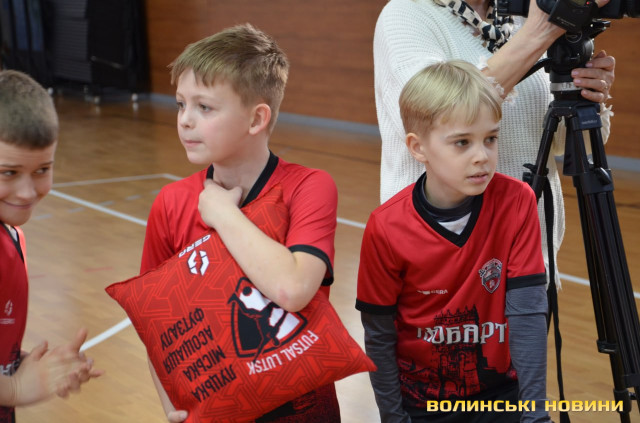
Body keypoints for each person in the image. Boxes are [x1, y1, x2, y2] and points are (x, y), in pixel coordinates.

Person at [140, 23, 341, 422]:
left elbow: (292, 289)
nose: (185, 120)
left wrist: (223, 213)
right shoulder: (171, 203)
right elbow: (157, 327)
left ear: (256, 119)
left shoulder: (309, 187)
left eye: (204, 107)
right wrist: (174, 406)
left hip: (302, 410)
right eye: (180, 104)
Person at [356, 60, 551, 422]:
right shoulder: (386, 227)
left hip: (500, 397)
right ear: (418, 147)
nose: (482, 156)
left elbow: (527, 314)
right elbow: (379, 336)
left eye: (490, 139)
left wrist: (535, 414)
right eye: (462, 142)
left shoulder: (517, 201)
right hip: (424, 405)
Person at [374, 0, 616, 289]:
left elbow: (561, 142)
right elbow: (433, 118)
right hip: (440, 264)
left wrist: (586, 94)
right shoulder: (406, 15)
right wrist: (538, 34)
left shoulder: (520, 16)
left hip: (527, 258)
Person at [0, 70, 103, 422]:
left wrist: (35, 369)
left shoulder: (12, 235)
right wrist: (15, 389)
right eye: (8, 173)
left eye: (42, 169)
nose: (27, 192)